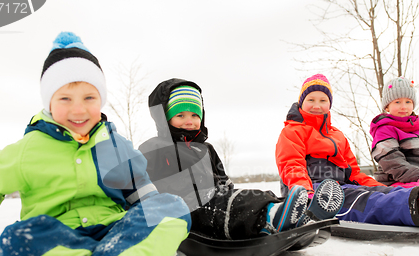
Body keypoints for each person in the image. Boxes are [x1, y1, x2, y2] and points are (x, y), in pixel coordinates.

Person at [0, 32, 192, 256]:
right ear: (48, 102)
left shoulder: (116, 145)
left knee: (171, 206)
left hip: (115, 230)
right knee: (14, 242)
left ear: (101, 100)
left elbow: (142, 191)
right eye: (65, 98)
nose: (78, 109)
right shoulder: (29, 149)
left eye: (89, 97)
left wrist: (150, 227)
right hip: (58, 239)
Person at [138, 78, 344, 240]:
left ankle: (291, 214)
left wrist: (227, 192)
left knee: (246, 196)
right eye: (180, 115)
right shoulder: (153, 149)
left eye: (194, 115)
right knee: (226, 207)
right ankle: (273, 218)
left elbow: (222, 179)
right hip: (184, 211)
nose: (189, 121)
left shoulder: (206, 149)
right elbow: (141, 188)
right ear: (165, 119)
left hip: (211, 200)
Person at [275, 74, 419, 235]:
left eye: (323, 100)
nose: (317, 105)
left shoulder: (337, 136)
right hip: (314, 193)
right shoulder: (293, 131)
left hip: (342, 186)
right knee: (366, 201)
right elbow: (292, 166)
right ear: (301, 102)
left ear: (329, 104)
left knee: (385, 193)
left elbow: (355, 174)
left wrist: (381, 187)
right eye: (311, 100)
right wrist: (305, 195)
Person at [370, 76, 419, 189]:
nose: (403, 107)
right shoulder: (384, 130)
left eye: (408, 102)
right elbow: (392, 162)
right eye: (397, 102)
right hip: (394, 184)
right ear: (387, 107)